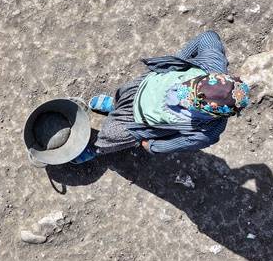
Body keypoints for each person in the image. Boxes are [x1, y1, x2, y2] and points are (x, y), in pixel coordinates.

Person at [73, 30, 251, 164]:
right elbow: (208, 37)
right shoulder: (214, 64)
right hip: (143, 87)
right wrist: (178, 59)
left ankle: (97, 148)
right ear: (214, 77)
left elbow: (182, 142)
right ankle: (115, 104)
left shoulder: (207, 131)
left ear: (212, 113)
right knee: (123, 92)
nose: (180, 93)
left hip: (139, 121)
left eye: (189, 101)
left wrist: (151, 146)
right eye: (189, 87)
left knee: (112, 135)